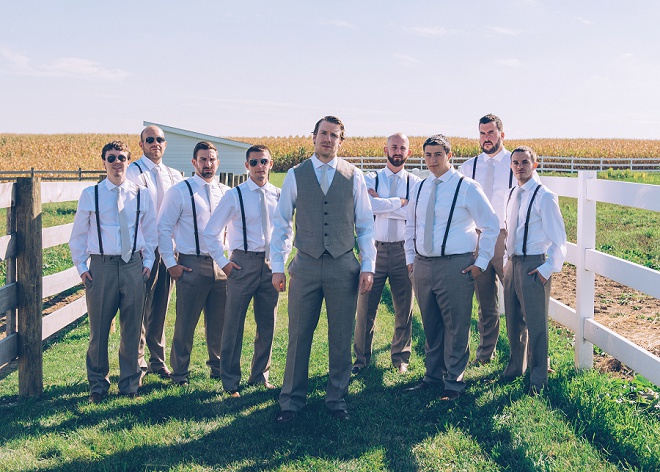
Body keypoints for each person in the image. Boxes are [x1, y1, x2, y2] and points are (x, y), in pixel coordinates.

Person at [270, 116, 376, 423]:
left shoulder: (354, 175)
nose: (327, 139)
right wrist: (279, 265)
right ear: (313, 137)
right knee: (299, 333)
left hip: (344, 264)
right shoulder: (295, 174)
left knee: (341, 335)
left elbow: (366, 225)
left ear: (341, 141)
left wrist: (368, 265)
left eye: (334, 135)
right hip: (305, 263)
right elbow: (281, 223)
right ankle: (291, 401)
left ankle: (336, 398)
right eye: (323, 134)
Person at [405, 134, 499, 400]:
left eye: (438, 155)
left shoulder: (466, 187)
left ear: (449, 156)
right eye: (428, 155)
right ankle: (432, 376)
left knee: (457, 326)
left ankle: (454, 381)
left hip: (455, 264)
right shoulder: (420, 187)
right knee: (431, 324)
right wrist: (410, 259)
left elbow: (490, 226)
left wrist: (481, 262)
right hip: (423, 265)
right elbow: (411, 226)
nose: (432, 160)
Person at [69, 140, 157, 403]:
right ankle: (98, 385)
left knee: (132, 329)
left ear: (128, 161)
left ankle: (129, 384)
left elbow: (150, 233)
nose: (117, 162)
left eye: (121, 157)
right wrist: (82, 268)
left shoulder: (141, 194)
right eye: (111, 158)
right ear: (104, 161)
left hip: (133, 267)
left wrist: (148, 264)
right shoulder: (91, 194)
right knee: (98, 330)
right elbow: (78, 235)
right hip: (102, 266)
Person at [204, 144, 280, 398]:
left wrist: (280, 261)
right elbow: (210, 232)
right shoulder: (234, 196)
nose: (260, 167)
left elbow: (285, 232)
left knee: (267, 323)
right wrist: (223, 263)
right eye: (255, 162)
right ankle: (230, 381)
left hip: (270, 265)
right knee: (233, 323)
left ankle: (260, 376)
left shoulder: (278, 196)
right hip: (242, 264)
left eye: (264, 162)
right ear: (247, 166)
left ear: (271, 164)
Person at [157, 141, 230, 386]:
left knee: (219, 323)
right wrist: (170, 263)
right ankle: (179, 374)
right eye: (203, 159)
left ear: (217, 162)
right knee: (185, 323)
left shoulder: (226, 192)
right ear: (194, 162)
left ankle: (218, 368)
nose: (207, 164)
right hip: (191, 264)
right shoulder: (180, 191)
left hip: (221, 265)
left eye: (211, 159)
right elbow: (163, 227)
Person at [352, 133, 420, 375]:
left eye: (402, 148)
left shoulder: (415, 182)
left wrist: (385, 204)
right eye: (394, 147)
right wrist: (400, 203)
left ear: (409, 153)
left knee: (404, 308)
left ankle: (400, 357)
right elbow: (368, 206)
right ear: (385, 149)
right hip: (375, 250)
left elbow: (415, 215)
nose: (398, 151)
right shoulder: (371, 178)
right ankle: (361, 359)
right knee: (365, 308)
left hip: (404, 251)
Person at [501, 146, 566, 395]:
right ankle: (516, 367)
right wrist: (508, 261)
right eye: (515, 162)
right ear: (511, 165)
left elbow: (559, 240)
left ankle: (537, 378)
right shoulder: (511, 193)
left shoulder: (544, 196)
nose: (520, 166)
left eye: (525, 162)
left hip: (533, 265)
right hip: (513, 263)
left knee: (536, 325)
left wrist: (547, 268)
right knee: (513, 321)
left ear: (535, 164)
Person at [127, 125, 183, 380]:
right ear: (141, 145)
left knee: (160, 307)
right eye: (149, 140)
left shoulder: (174, 175)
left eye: (159, 139)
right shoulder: (134, 172)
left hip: (167, 250)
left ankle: (157, 361)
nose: (155, 143)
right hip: (144, 250)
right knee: (139, 308)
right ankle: (136, 363)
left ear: (165, 144)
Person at [458, 114, 513, 365]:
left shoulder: (515, 162)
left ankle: (521, 355)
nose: (486, 138)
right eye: (482, 133)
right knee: (485, 301)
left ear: (501, 134)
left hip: (505, 237)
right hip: (478, 238)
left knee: (514, 299)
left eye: (491, 133)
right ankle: (485, 355)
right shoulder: (469, 167)